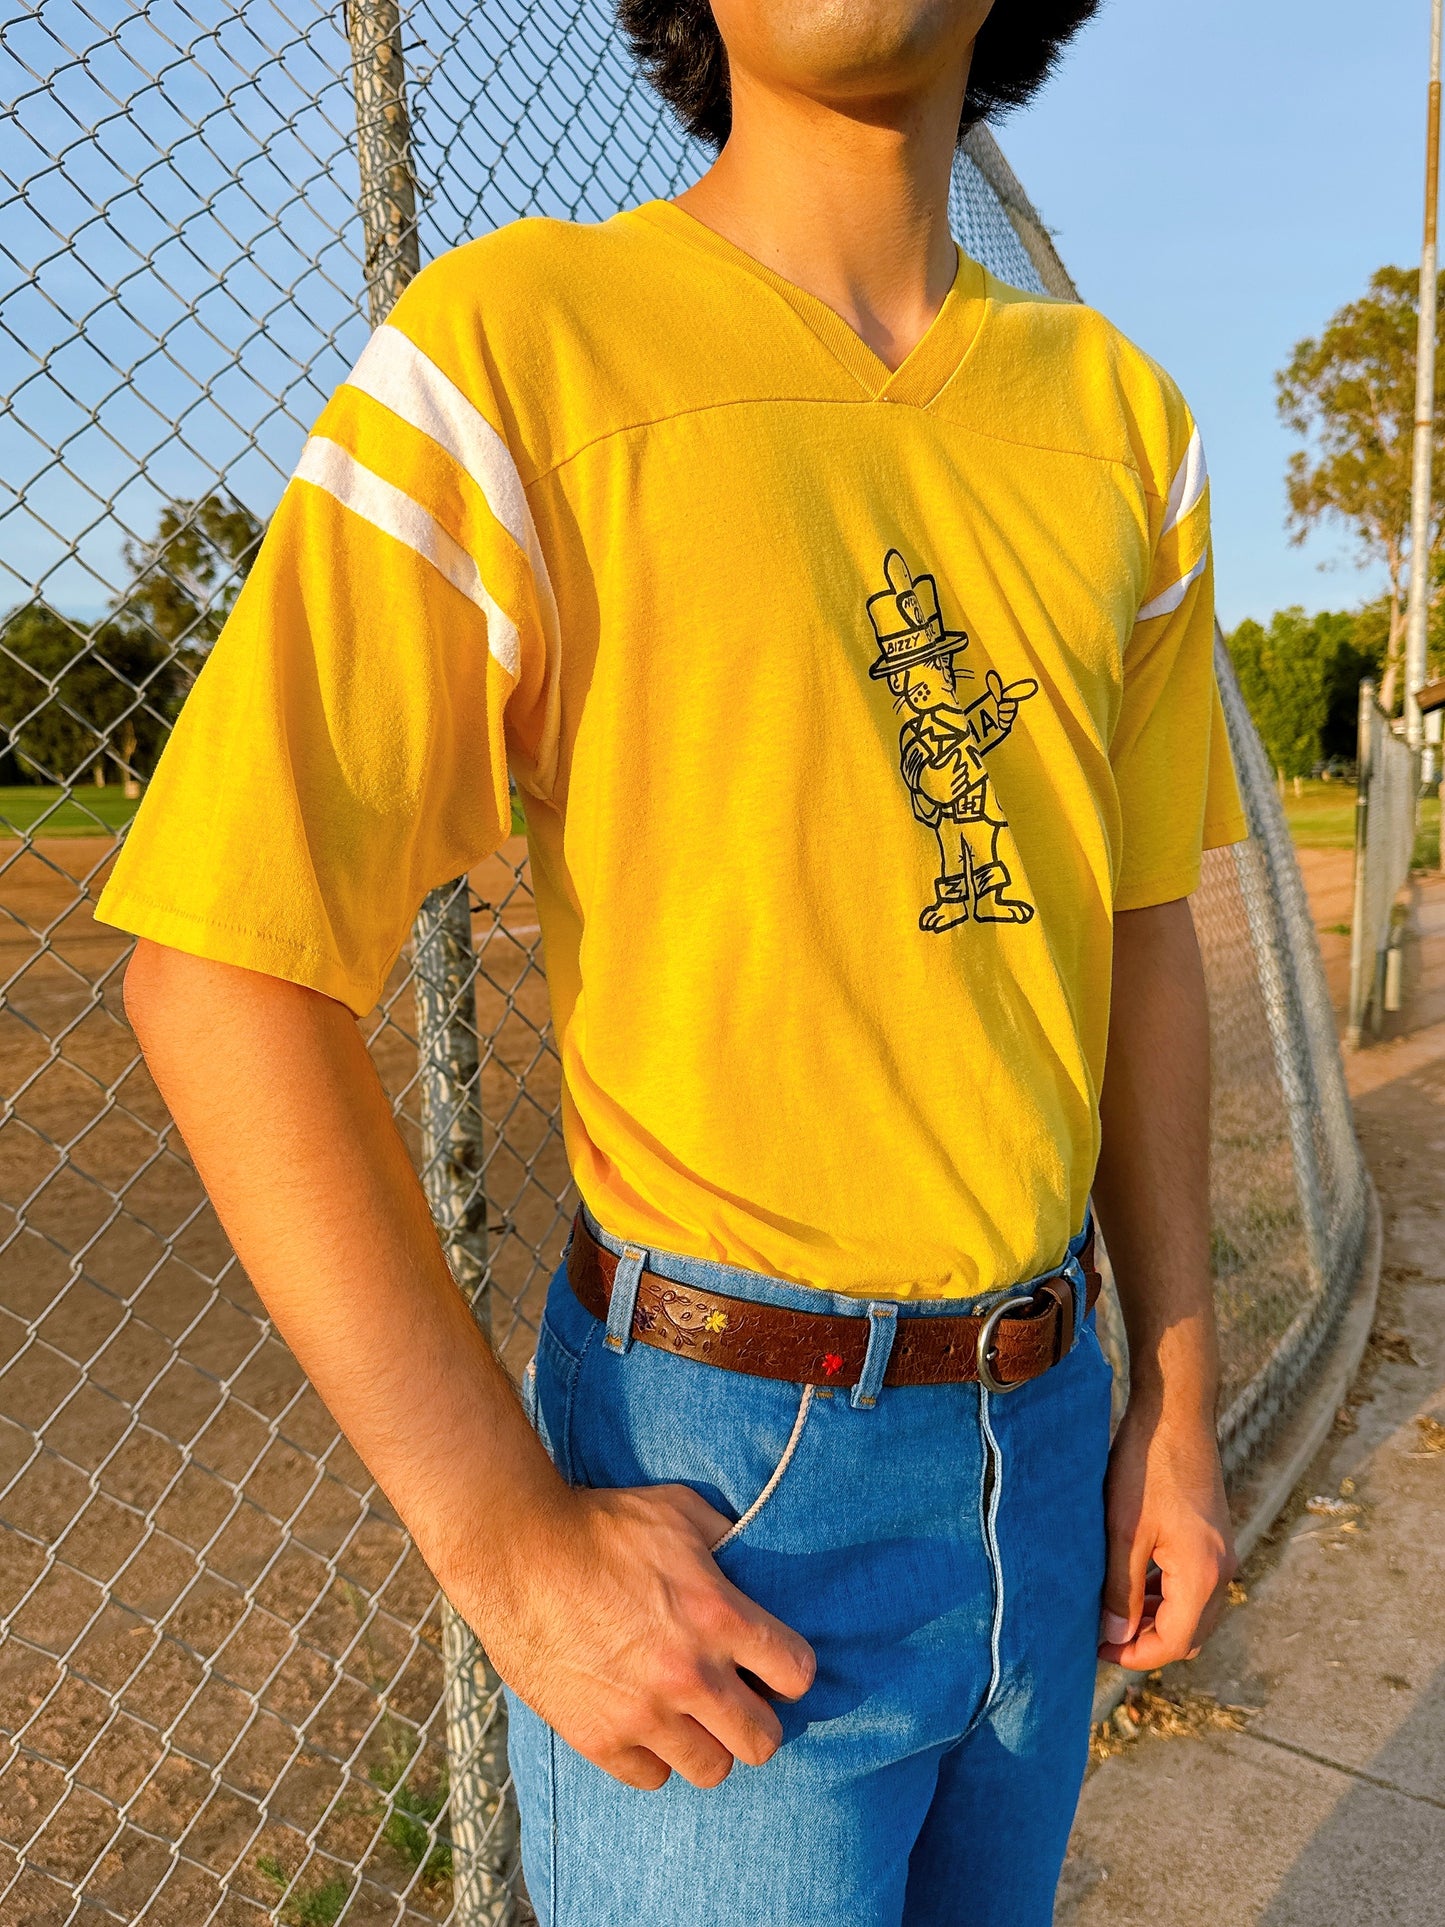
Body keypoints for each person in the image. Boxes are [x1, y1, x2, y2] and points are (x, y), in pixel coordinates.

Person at [97, 0, 1248, 1919]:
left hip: (1047, 1455)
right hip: (728, 1492)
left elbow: (1136, 940)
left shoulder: (1120, 420)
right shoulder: (521, 345)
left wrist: (1180, 1406)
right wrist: (507, 1545)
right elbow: (221, 968)